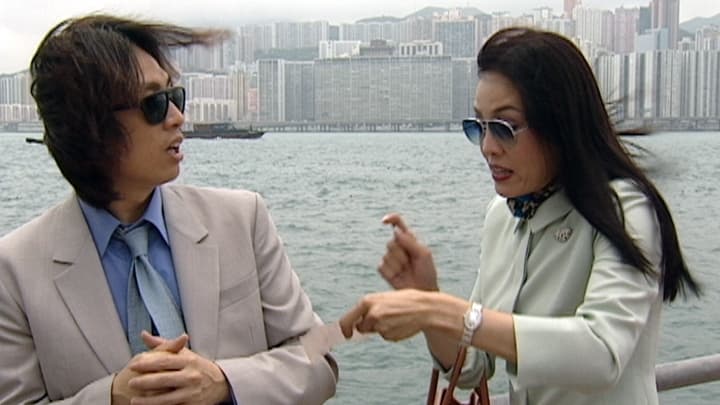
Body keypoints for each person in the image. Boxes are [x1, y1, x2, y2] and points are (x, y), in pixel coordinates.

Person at [340, 27, 700, 404]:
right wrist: (427, 298)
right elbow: (473, 366)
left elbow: (602, 354)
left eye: (504, 128)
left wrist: (438, 310)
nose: (488, 147)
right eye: (479, 127)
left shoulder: (625, 208)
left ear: (559, 124)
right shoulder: (502, 216)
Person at [0, 14, 337, 404]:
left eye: (175, 96)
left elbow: (318, 360)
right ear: (90, 125)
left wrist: (225, 382)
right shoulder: (15, 271)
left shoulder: (242, 219)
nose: (178, 117)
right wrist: (111, 397)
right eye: (155, 104)